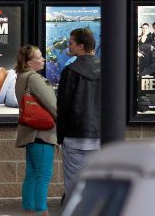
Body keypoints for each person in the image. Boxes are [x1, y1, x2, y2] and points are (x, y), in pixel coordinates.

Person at [56, 27, 101, 200]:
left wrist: (60, 137)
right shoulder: (108, 70)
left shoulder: (70, 71)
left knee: (74, 184)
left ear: (81, 46)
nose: (68, 46)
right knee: (96, 182)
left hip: (74, 135)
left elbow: (64, 106)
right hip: (99, 136)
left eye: (71, 43)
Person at [15, 44, 57, 216]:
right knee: (44, 175)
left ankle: (29, 210)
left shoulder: (21, 77)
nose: (43, 60)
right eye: (39, 57)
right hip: (42, 132)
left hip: (29, 132)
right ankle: (41, 211)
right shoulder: (34, 78)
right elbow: (53, 105)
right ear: (29, 62)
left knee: (32, 174)